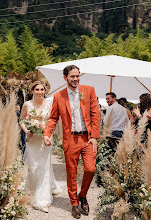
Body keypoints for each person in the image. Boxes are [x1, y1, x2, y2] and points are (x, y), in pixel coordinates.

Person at [43, 65, 101, 219]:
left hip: (87, 138)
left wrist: (94, 136)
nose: (76, 79)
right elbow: (53, 118)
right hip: (71, 139)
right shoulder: (58, 96)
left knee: (90, 169)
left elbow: (95, 115)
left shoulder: (89, 91)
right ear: (65, 78)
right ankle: (74, 203)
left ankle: (83, 195)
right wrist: (47, 134)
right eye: (72, 77)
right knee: (71, 172)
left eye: (77, 76)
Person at [20, 81, 61, 213]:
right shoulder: (27, 104)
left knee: (43, 167)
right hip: (32, 140)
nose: (39, 92)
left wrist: (50, 131)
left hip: (46, 140)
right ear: (32, 91)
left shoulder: (50, 105)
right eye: (37, 89)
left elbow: (54, 121)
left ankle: (41, 199)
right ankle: (30, 191)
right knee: (33, 167)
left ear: (45, 91)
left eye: (42, 89)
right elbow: (21, 120)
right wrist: (27, 131)